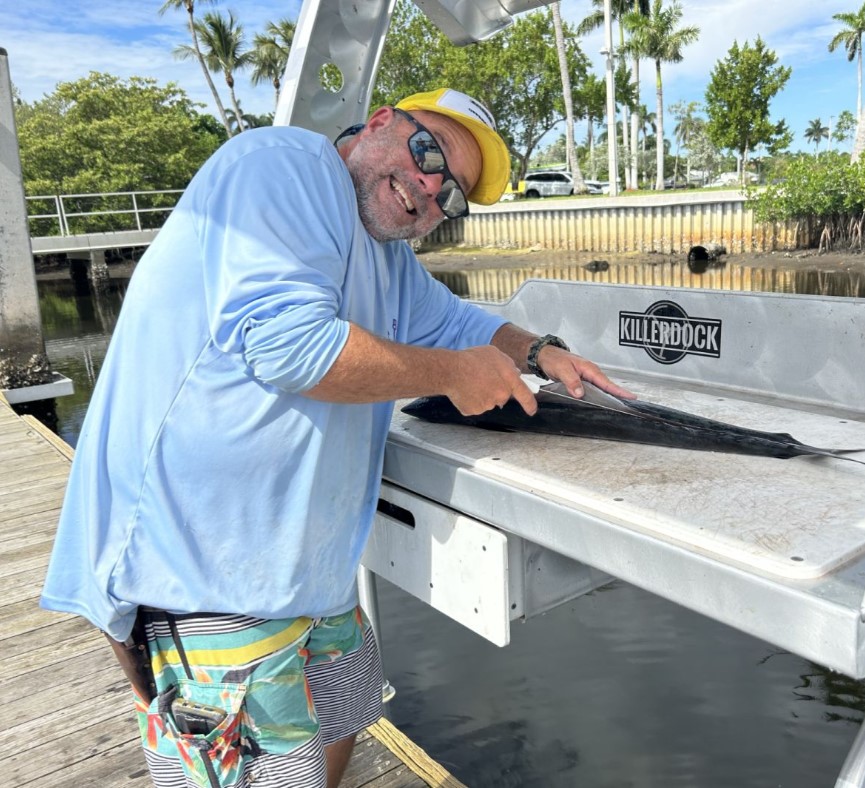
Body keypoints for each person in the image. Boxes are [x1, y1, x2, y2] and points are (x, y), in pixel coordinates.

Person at [40, 87, 632, 788]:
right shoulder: (282, 164)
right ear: (381, 122)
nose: (431, 188)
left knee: (347, 715)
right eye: (428, 153)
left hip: (308, 571)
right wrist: (451, 376)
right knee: (269, 774)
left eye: (452, 195)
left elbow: (455, 322)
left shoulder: (385, 256)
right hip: (201, 568)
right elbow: (291, 348)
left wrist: (540, 353)